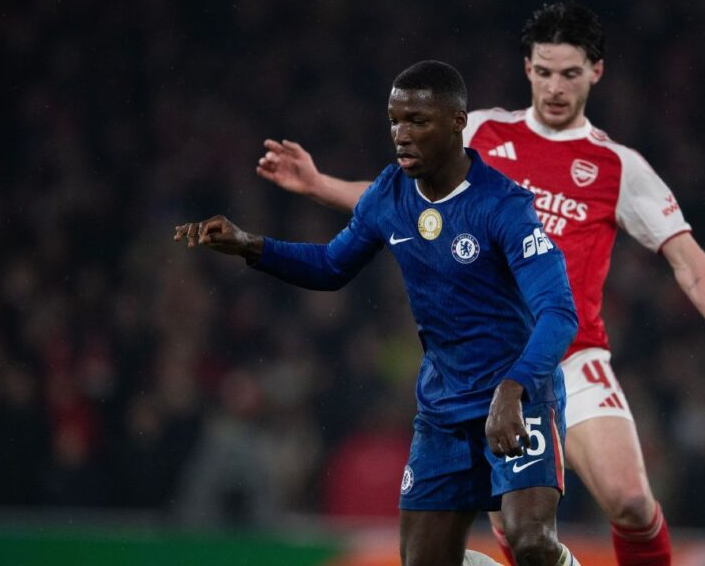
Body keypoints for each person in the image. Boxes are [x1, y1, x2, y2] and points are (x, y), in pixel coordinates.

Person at [255, 1, 705, 566]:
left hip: (569, 354)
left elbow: (689, 260)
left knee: (629, 501)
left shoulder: (618, 166)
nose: (554, 87)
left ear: (595, 72)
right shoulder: (480, 130)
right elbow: (397, 205)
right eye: (544, 71)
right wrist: (317, 184)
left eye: (569, 73)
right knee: (518, 537)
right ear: (527, 68)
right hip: (491, 363)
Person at [176, 60, 583, 566]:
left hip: (516, 399)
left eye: (418, 121)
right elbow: (330, 265)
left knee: (531, 543)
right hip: (444, 409)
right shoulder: (389, 195)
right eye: (395, 121)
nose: (401, 135)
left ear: (457, 122)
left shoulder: (503, 205)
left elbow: (560, 313)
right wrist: (249, 246)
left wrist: (513, 388)